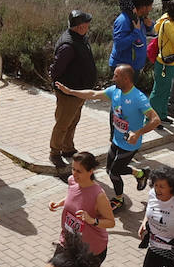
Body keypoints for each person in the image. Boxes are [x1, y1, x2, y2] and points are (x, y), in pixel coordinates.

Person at [57, 64, 159, 208]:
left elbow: (156, 120)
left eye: (116, 76)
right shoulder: (115, 92)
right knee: (110, 169)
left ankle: (119, 199)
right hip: (117, 140)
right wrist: (70, 91)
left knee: (114, 173)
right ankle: (141, 174)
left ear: (126, 78)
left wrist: (138, 133)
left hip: (130, 144)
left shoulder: (138, 98)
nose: (113, 79)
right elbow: (92, 94)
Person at [49, 152, 115, 267]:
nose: (74, 174)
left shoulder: (98, 195)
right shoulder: (72, 181)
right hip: (68, 240)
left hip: (91, 249)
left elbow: (111, 222)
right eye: (73, 169)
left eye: (79, 171)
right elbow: (73, 198)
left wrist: (92, 220)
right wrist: (59, 204)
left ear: (90, 171)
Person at [49, 10, 97, 172]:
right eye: (87, 23)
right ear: (81, 26)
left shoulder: (79, 38)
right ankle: (55, 152)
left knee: (73, 120)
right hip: (69, 92)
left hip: (79, 91)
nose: (89, 26)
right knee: (63, 123)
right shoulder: (68, 46)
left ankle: (67, 147)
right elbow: (56, 70)